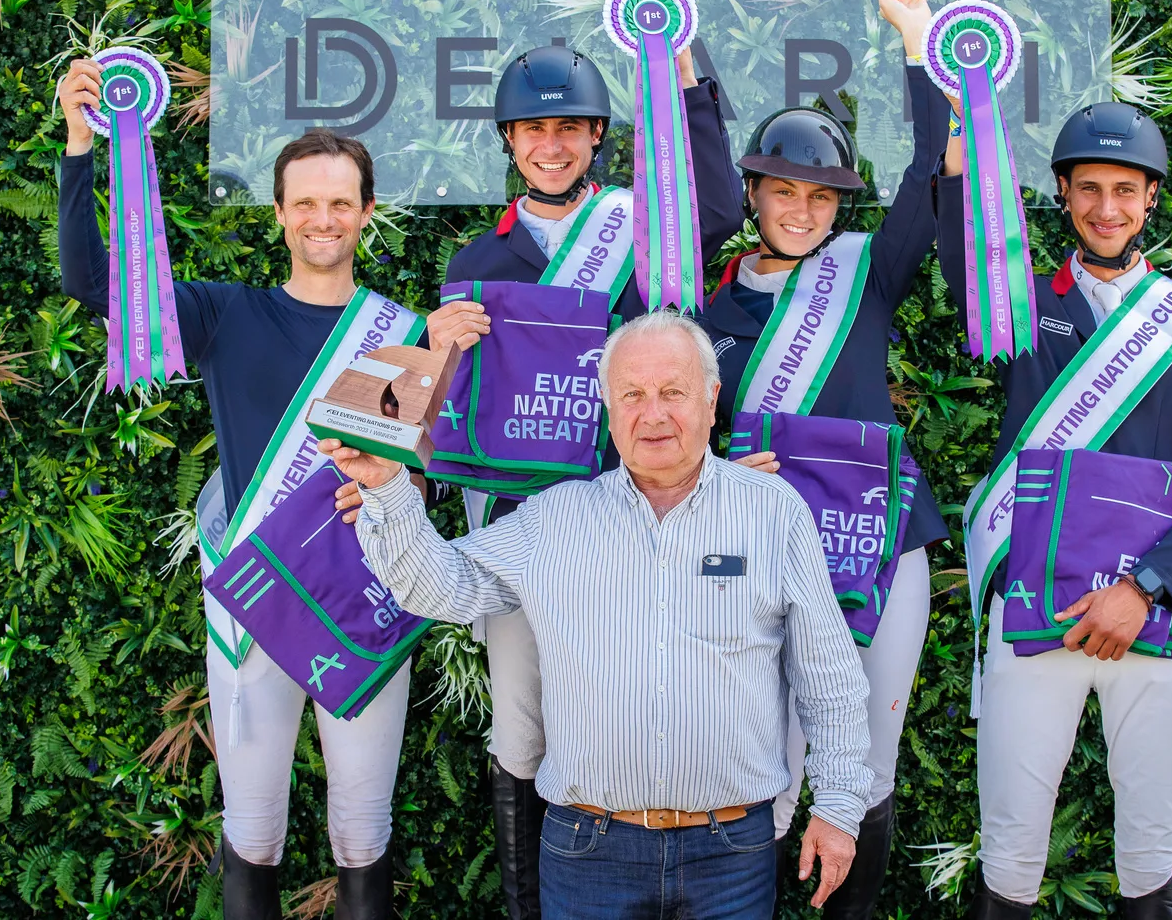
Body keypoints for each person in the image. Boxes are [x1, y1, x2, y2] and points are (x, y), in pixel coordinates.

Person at [330, 28, 744, 920]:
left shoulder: (643, 226)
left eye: (569, 128)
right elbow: (438, 416)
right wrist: (434, 348)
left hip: (632, 513)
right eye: (532, 130)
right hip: (519, 525)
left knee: (640, 707)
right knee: (520, 724)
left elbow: (716, 212)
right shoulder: (473, 262)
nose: (550, 145)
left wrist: (687, 80)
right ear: (510, 144)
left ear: (600, 136)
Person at [322, 312, 871, 920]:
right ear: (608, 407)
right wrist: (388, 486)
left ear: (711, 399)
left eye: (673, 392)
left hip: (731, 855)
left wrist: (837, 806)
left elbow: (829, 675)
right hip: (589, 856)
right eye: (632, 394)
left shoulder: (774, 513)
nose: (653, 413)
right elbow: (438, 588)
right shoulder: (554, 519)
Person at [58, 61, 422, 919]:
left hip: (366, 599)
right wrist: (81, 147)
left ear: (367, 214)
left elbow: (439, 470)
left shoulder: (405, 333)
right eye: (305, 203)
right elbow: (90, 283)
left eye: (341, 203)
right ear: (279, 214)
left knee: (363, 834)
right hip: (254, 599)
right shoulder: (222, 314)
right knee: (251, 831)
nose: (322, 218)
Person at [934, 102, 1172, 918]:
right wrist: (930, 74)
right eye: (1087, 190)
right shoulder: (1018, 306)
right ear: (1063, 196)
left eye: (1124, 190)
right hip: (1033, 614)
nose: (1106, 209)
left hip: (1147, 617)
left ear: (1150, 200)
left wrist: (1142, 589)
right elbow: (955, 240)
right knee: (1008, 857)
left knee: (1150, 857)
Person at [701, 0, 950, 919]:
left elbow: (935, 163)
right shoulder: (708, 307)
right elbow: (676, 444)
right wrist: (724, 475)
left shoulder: (870, 275)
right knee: (767, 759)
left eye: (821, 195)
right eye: (783, 190)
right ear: (755, 191)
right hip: (761, 549)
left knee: (866, 763)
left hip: (882, 549)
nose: (802, 210)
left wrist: (918, 42)